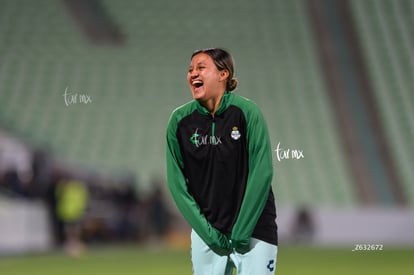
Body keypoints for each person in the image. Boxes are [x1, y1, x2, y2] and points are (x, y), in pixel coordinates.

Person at [166, 48, 278, 274]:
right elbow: (177, 184)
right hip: (207, 233)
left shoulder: (247, 113)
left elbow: (262, 172)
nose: (193, 74)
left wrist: (242, 231)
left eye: (201, 67)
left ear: (223, 74)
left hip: (254, 230)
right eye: (190, 70)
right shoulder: (179, 121)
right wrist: (207, 233)